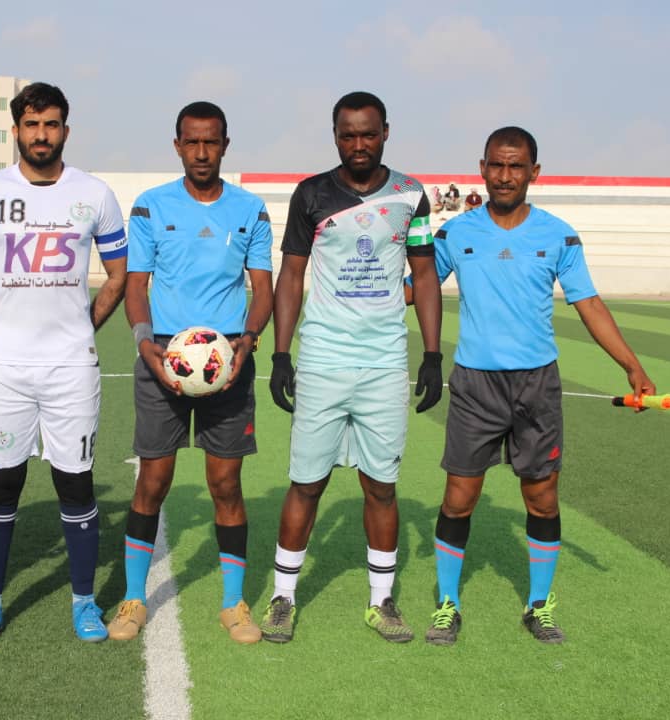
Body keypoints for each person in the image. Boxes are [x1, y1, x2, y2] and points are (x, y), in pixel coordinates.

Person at [417, 127, 656, 646]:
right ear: (482, 168)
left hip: (537, 385)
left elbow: (588, 303)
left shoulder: (559, 235)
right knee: (459, 498)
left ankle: (539, 606)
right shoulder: (455, 233)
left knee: (542, 499)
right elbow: (420, 287)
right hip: (475, 384)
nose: (505, 176)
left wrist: (631, 365)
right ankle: (448, 604)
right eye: (497, 165)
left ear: (534, 172)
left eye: (516, 166)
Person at [259, 91, 443, 644]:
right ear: (335, 135)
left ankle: (381, 602)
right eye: (347, 134)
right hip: (323, 359)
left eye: (368, 133)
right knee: (306, 483)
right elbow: (292, 275)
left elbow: (425, 274)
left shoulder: (411, 195)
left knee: (381, 487)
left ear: (385, 132)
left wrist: (433, 354)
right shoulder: (311, 194)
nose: (358, 144)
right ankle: (283, 598)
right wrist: (282, 354)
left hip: (384, 363)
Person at [0, 82, 128, 644]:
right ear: (16, 131)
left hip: (71, 368)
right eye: (31, 125)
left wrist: (84, 324)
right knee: (1, 484)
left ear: (65, 131)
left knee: (75, 484)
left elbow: (119, 274)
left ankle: (84, 603)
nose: (41, 134)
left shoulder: (95, 194)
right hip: (5, 368)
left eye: (51, 124)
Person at [107, 101, 274, 645]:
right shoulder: (151, 206)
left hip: (228, 360)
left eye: (211, 142)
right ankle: (134, 598)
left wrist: (248, 340)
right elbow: (136, 284)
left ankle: (232, 603)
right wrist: (144, 344)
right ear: (177, 145)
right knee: (152, 482)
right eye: (192, 142)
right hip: (164, 357)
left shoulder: (250, 209)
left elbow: (263, 288)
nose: (202, 152)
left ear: (225, 145)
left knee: (225, 484)